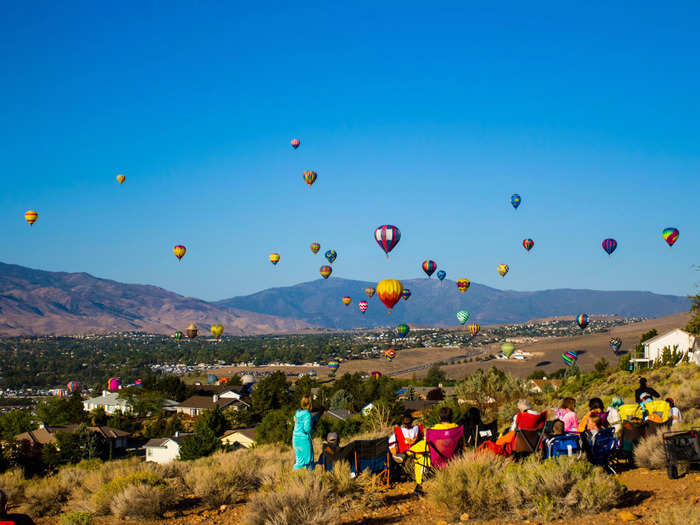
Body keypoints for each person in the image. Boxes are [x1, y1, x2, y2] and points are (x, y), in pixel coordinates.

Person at [408, 406, 458, 494]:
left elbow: (425, 445)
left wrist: (410, 450)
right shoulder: (457, 428)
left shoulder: (433, 431)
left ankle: (419, 485)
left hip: (437, 460)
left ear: (439, 417)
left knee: (419, 457)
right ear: (451, 417)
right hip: (453, 458)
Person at [293, 396, 323, 470]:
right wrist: (313, 429)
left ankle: (293, 475)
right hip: (304, 440)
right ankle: (311, 478)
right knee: (309, 462)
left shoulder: (297, 412)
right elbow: (307, 429)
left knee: (299, 462)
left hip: (295, 439)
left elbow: (296, 421)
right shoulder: (307, 414)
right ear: (310, 404)